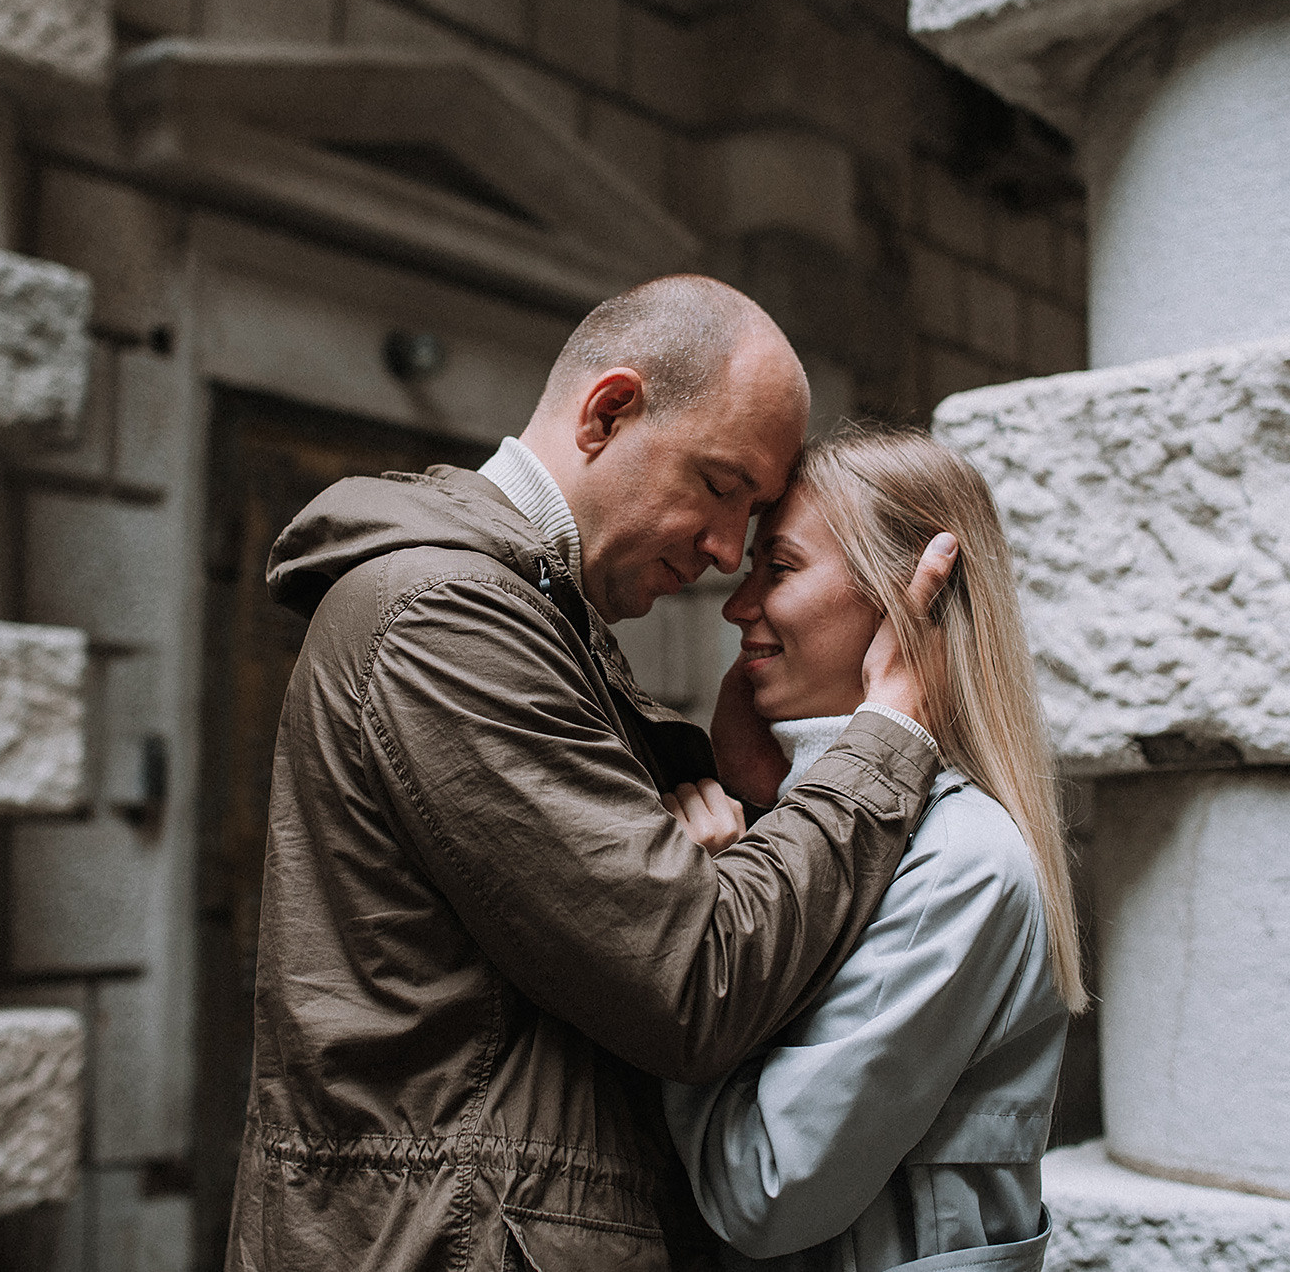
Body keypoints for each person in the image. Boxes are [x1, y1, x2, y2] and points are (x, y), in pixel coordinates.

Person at [227, 276, 957, 1272]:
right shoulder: (446, 618)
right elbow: (693, 979)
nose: (721, 555)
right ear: (606, 411)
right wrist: (884, 735)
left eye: (755, 524)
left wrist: (737, 785)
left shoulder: (535, 612)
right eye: (716, 485)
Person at [664, 427, 1088, 1272]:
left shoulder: (958, 860)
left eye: (777, 569)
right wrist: (757, 799)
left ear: (908, 601)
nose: (737, 605)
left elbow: (765, 1187)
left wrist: (684, 929)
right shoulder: (790, 815)